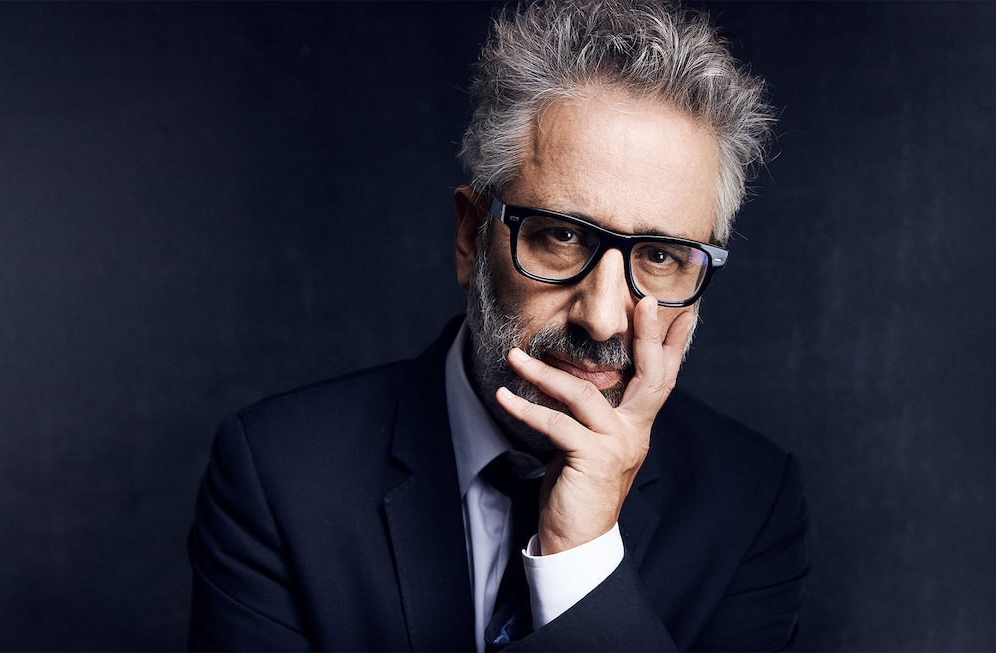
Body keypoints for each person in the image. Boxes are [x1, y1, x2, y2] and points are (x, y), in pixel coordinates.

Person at [187, 0, 808, 650]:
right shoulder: (280, 472)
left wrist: (581, 562)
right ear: (469, 237)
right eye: (561, 236)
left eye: (660, 256)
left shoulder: (751, 502)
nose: (600, 319)